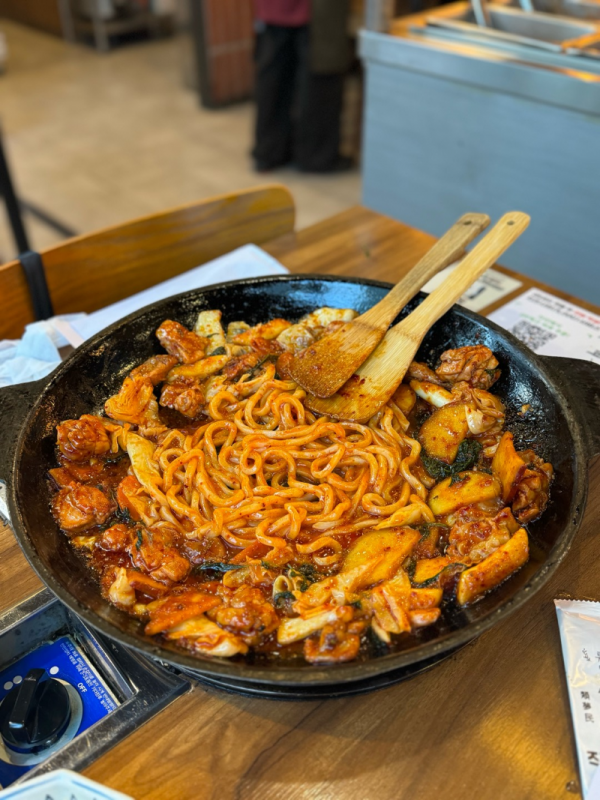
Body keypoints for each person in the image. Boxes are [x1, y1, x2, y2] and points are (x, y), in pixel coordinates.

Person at [252, 0, 352, 173]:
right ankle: (316, 155)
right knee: (320, 72)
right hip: (317, 11)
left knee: (274, 74)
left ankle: (270, 151)